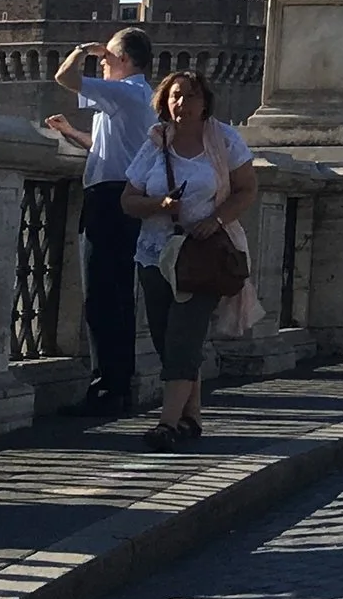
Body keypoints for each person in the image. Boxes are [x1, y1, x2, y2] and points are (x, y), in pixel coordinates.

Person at [119, 71, 258, 445]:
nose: (182, 103)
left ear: (205, 102)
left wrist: (216, 220)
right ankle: (191, 417)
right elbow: (127, 200)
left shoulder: (225, 140)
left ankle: (166, 424)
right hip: (155, 255)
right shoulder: (155, 142)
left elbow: (247, 190)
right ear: (164, 101)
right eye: (175, 96)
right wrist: (158, 204)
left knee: (184, 336)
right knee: (167, 340)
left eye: (191, 96)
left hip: (202, 256)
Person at [45, 26, 157, 415]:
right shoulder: (136, 97)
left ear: (124, 59)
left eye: (107, 57)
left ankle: (107, 387)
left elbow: (64, 77)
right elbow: (106, 148)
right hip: (122, 195)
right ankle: (117, 384)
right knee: (117, 293)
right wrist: (70, 132)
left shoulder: (125, 92)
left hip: (110, 199)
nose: (102, 63)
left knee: (100, 295)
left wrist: (81, 49)